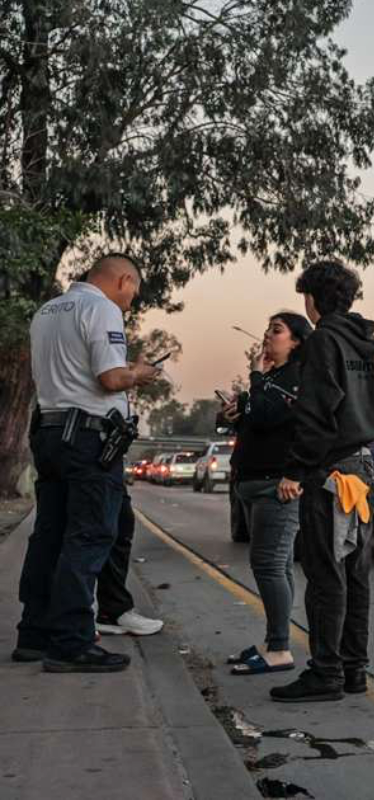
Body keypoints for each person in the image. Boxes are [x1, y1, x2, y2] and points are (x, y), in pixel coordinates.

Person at [15, 254, 159, 672]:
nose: (132, 300)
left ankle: (34, 634)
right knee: (91, 535)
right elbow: (110, 378)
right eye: (134, 290)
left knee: (50, 535)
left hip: (49, 432)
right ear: (124, 279)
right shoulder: (102, 309)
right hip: (88, 439)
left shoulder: (47, 311)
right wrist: (139, 373)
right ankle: (72, 641)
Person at [271, 260, 374, 703]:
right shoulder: (370, 344)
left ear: (313, 299)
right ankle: (354, 669)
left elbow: (316, 416)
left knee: (325, 575)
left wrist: (295, 470)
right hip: (362, 470)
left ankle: (325, 673)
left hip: (332, 475)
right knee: (355, 574)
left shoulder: (323, 342)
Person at [221, 312, 313, 676]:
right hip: (251, 482)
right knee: (277, 566)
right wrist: (231, 415)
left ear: (296, 342)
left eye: (277, 331)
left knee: (268, 564)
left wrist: (255, 378)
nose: (266, 337)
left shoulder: (295, 379)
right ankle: (275, 640)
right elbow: (253, 422)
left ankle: (279, 649)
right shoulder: (271, 378)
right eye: (267, 329)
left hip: (276, 486)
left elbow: (266, 416)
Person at [94, 491, 165, 636]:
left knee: (118, 524)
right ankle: (112, 610)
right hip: (95, 472)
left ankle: (109, 609)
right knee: (114, 526)